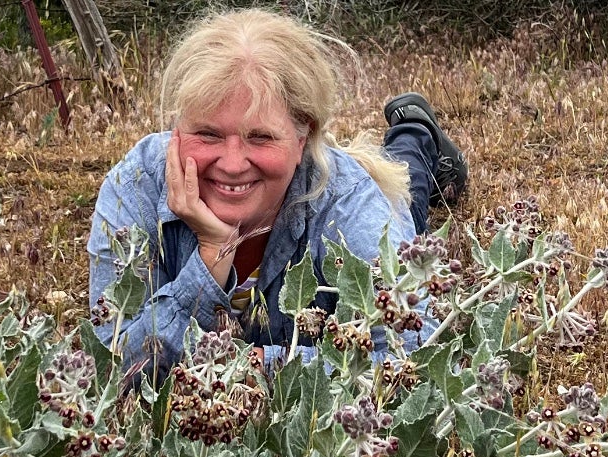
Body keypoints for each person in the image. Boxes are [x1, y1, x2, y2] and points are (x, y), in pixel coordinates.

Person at [87, 8, 467, 382]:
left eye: (261, 137)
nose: (233, 164)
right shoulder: (136, 184)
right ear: (176, 131)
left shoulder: (350, 200)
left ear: (302, 139)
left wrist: (255, 367)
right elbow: (112, 360)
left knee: (409, 198)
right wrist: (212, 252)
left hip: (354, 191)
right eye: (208, 134)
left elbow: (413, 351)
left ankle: (414, 131)